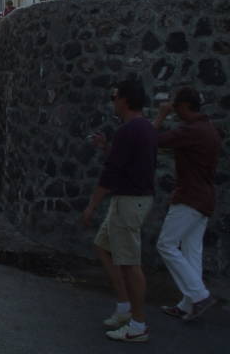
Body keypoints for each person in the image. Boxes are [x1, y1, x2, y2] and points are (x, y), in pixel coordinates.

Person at [82, 80, 157, 343]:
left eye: (115, 97)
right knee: (103, 246)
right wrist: (106, 147)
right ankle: (125, 307)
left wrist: (92, 205)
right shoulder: (144, 128)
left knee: (129, 263)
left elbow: (111, 173)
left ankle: (138, 324)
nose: (113, 101)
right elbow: (125, 162)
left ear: (124, 100)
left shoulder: (129, 131)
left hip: (129, 201)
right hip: (131, 199)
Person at [153, 87, 220, 322]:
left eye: (175, 106)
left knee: (166, 245)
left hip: (189, 197)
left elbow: (152, 140)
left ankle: (200, 296)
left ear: (183, 106)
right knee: (192, 252)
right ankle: (188, 304)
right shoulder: (208, 128)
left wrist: (160, 116)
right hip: (205, 197)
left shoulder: (191, 130)